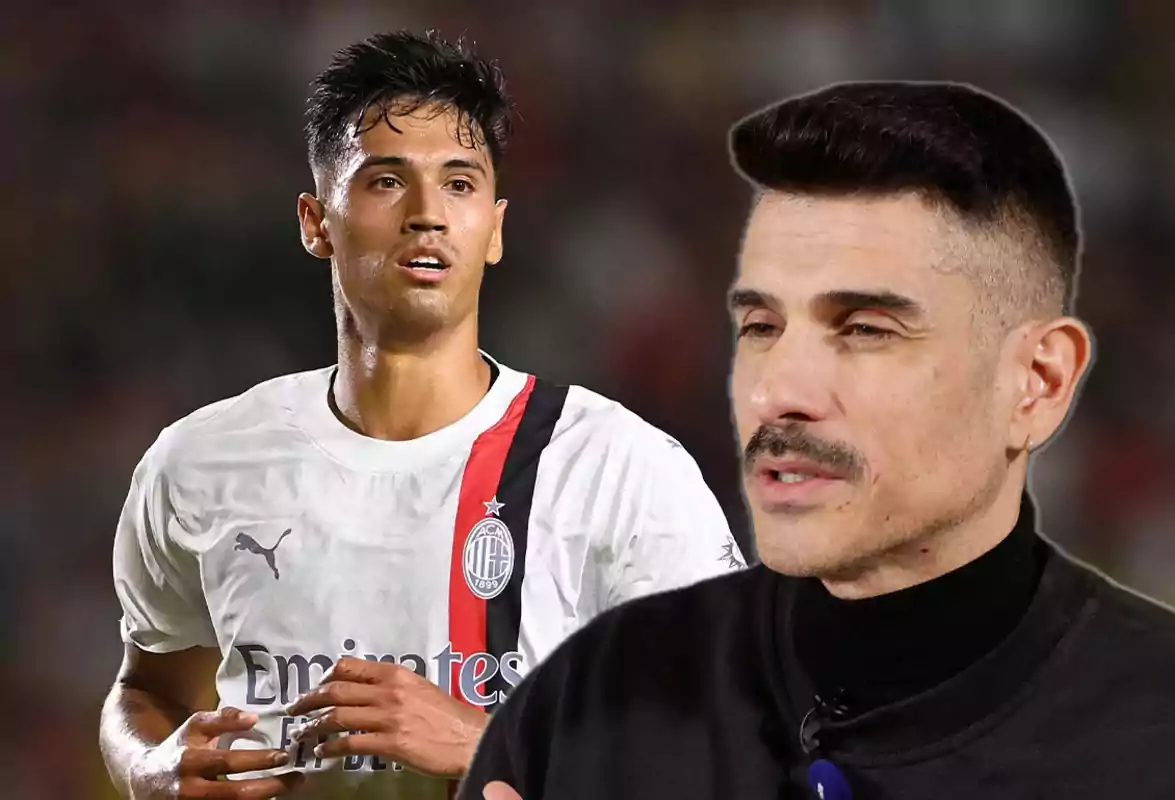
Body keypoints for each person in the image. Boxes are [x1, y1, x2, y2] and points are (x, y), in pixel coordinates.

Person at [460, 81, 1175, 800]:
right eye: (762, 327)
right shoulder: (595, 705)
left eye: (866, 330)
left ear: (1036, 382)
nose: (778, 392)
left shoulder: (1173, 736)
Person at [98, 30, 743, 800]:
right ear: (315, 222)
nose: (429, 214)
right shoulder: (199, 462)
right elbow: (147, 689)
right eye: (385, 181)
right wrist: (150, 765)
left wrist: (490, 745)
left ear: (495, 229)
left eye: (461, 184)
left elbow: (725, 745)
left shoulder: (618, 469)